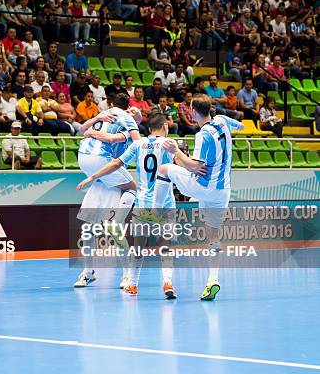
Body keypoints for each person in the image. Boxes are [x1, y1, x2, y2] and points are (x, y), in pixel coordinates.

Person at [153, 96, 244, 301]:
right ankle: (213, 280)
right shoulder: (222, 120)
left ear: (193, 112)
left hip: (203, 187)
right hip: (222, 191)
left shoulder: (203, 135)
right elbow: (242, 125)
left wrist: (175, 150)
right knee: (213, 236)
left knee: (165, 169)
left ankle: (154, 213)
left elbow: (194, 166)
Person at [77, 114, 177, 298]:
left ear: (148, 129)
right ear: (164, 126)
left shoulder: (138, 145)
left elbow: (115, 163)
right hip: (165, 203)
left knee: (139, 246)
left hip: (144, 202)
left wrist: (92, 176)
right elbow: (183, 166)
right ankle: (167, 282)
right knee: (165, 245)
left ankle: (132, 284)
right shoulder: (169, 144)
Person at [74, 93, 141, 288]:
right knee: (87, 229)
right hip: (102, 176)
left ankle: (128, 274)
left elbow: (114, 138)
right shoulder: (113, 119)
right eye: (131, 111)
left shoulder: (127, 128)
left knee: (114, 230)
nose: (132, 113)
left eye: (136, 113)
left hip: (106, 174)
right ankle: (87, 272)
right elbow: (84, 131)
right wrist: (96, 126)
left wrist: (97, 134)